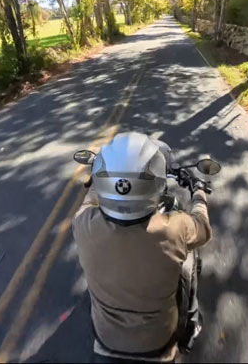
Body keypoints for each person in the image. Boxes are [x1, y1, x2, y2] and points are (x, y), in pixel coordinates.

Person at [72, 132, 212, 361]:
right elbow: (203, 228)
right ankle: (192, 322)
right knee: (188, 262)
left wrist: (98, 182)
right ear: (156, 183)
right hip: (158, 341)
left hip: (106, 338)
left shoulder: (83, 224)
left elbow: (90, 199)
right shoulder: (176, 228)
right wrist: (199, 193)